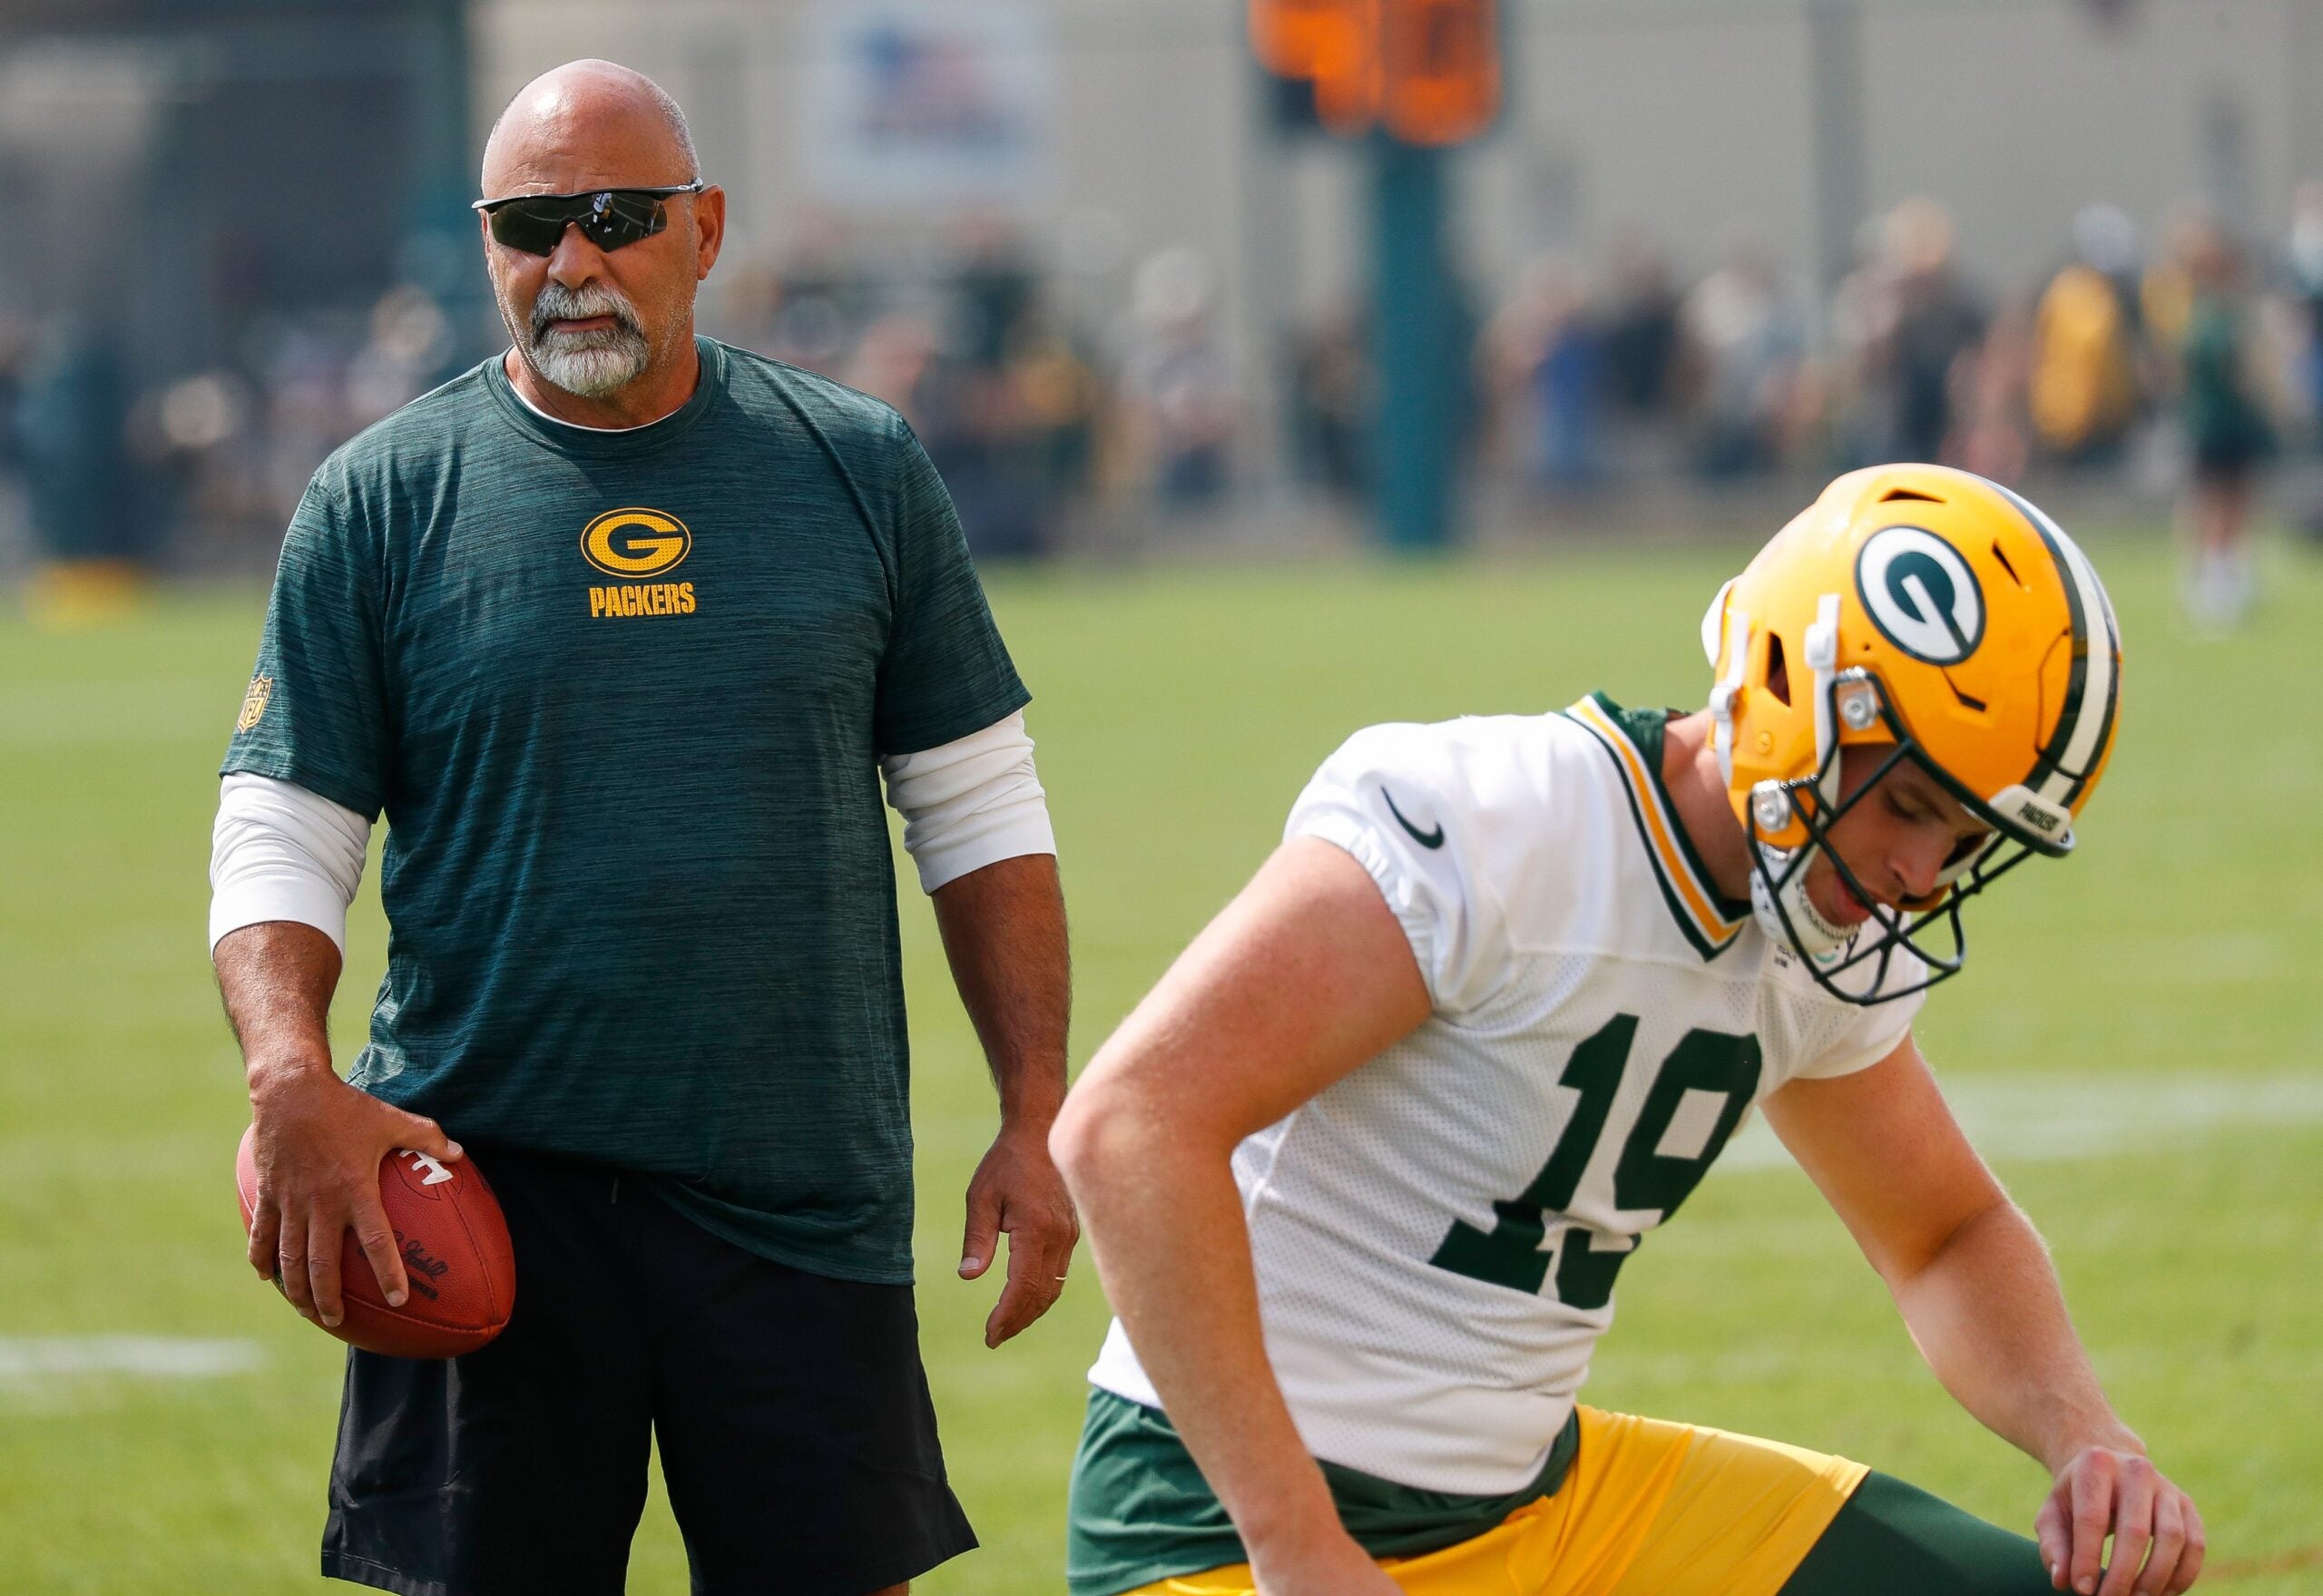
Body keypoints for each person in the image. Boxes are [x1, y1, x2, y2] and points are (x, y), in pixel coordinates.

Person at [209, 60, 1077, 1596]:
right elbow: (286, 821)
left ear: (706, 229)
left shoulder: (857, 465)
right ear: (488, 243)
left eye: (616, 217)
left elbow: (977, 801)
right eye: (533, 226)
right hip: (488, 1184)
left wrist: (1033, 1107)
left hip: (800, 1180)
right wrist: (289, 1068)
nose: (575, 264)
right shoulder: (378, 498)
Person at [1052, 464, 2204, 1596]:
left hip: (1542, 1502)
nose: (1917, 873)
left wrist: (2087, 1434)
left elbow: (1945, 1232)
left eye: (1958, 838)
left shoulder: (1822, 936)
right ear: (1788, 686)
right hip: (1217, 1525)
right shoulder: (1497, 824)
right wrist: (1295, 1547)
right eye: (1907, 804)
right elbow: (1128, 1125)